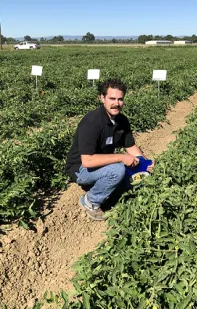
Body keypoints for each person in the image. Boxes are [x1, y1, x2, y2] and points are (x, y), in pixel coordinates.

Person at [65, 78, 154, 221]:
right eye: (112, 98)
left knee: (136, 173)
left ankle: (107, 189)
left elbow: (130, 146)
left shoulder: (122, 120)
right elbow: (87, 161)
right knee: (118, 170)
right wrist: (121, 157)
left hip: (102, 164)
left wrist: (145, 163)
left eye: (120, 99)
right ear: (102, 98)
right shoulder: (92, 122)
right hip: (80, 168)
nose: (116, 103)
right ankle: (90, 201)